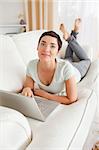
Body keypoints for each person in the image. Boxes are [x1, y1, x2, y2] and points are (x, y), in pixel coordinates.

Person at [21, 30, 78, 105]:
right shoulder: (31, 65)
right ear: (37, 47)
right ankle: (72, 35)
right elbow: (28, 87)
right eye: (43, 44)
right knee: (69, 57)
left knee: (85, 60)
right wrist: (27, 89)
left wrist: (45, 95)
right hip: (62, 62)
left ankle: (74, 33)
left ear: (58, 51)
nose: (46, 49)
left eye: (52, 46)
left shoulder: (66, 68)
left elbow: (71, 99)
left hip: (77, 70)